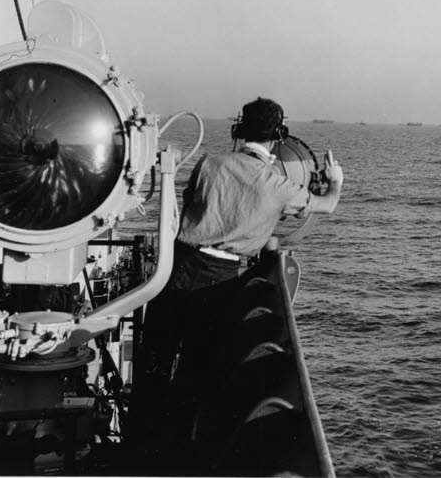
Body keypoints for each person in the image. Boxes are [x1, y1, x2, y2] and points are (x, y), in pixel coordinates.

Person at [132, 97, 343, 470]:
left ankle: (140, 445)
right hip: (223, 281)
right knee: (196, 367)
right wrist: (335, 183)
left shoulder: (209, 163)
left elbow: (193, 201)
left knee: (155, 357)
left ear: (238, 129)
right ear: (278, 135)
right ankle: (176, 456)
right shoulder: (276, 185)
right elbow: (326, 206)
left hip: (179, 269)